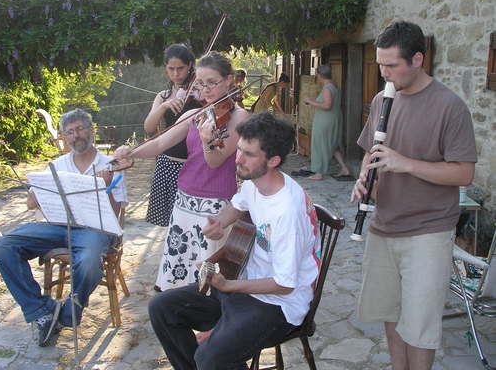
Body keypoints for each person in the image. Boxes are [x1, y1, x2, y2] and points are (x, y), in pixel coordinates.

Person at [148, 112, 320, 370]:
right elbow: (237, 206)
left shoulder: (287, 211)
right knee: (162, 307)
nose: (238, 159)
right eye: (239, 149)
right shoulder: (255, 181)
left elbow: (284, 285)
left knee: (210, 358)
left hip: (278, 306)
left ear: (273, 160)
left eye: (248, 154)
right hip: (246, 285)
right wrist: (219, 222)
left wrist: (228, 286)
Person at [350, 21, 476, 370]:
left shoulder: (450, 106)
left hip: (428, 231)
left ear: (418, 59)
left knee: (419, 325)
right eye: (380, 64)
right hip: (384, 225)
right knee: (390, 312)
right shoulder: (381, 100)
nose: (384, 73)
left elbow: (464, 172)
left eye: (392, 66)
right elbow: (371, 152)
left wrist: (405, 164)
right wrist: (365, 178)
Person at [114, 51, 249, 291]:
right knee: (178, 275)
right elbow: (158, 144)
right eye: (200, 83)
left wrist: (208, 140)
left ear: (229, 80)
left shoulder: (239, 117)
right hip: (184, 202)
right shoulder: (193, 114)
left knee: (206, 277)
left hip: (214, 206)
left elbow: (216, 161)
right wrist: (131, 153)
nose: (205, 90)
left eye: (212, 83)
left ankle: (207, 324)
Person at [0, 108, 128, 347]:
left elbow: (115, 214)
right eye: (70, 132)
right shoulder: (57, 164)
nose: (76, 135)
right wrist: (37, 190)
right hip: (58, 226)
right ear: (64, 137)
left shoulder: (110, 164)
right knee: (4, 246)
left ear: (91, 130)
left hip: (96, 230)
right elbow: (31, 203)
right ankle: (42, 311)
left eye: (80, 129)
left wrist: (104, 186)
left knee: (87, 261)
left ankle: (68, 313)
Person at [144, 44, 203, 228]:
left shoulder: (200, 93)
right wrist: (164, 106)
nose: (176, 74)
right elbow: (148, 127)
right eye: (171, 69)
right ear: (166, 69)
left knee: (190, 222)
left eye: (181, 69)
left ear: (190, 66)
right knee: (170, 224)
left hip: (193, 164)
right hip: (167, 163)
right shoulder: (163, 96)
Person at [303, 65, 350, 180]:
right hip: (334, 118)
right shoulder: (334, 85)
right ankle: (345, 168)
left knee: (320, 144)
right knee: (332, 145)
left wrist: (310, 102)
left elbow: (327, 105)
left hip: (325, 120)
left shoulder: (327, 88)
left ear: (319, 75)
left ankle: (319, 173)